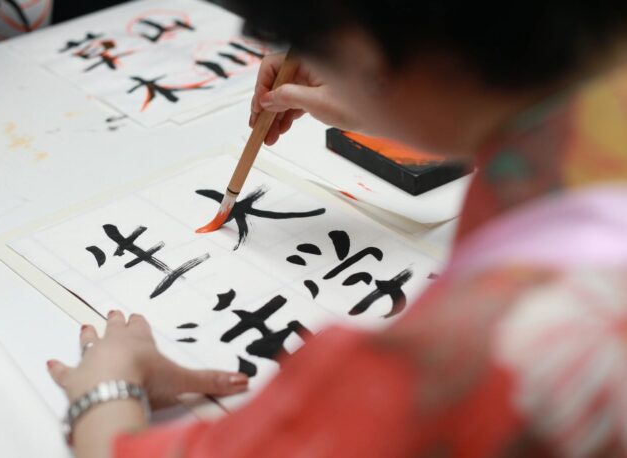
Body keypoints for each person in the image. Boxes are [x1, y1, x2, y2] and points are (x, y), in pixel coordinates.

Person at [47, 1, 627, 456]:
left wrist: (106, 391)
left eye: (314, 44)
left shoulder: (460, 360)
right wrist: (391, 97)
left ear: (362, 49)